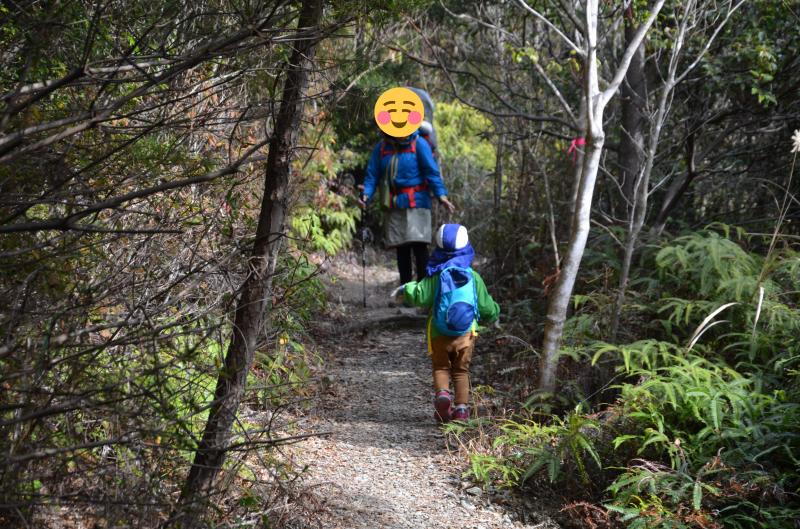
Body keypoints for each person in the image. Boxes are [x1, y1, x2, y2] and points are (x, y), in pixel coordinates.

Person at [399, 224, 500, 422]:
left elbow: (420, 296)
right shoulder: (473, 276)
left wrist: (407, 288)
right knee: (461, 371)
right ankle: (461, 409)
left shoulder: (436, 275)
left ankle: (443, 395)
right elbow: (486, 307)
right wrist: (495, 311)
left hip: (439, 332)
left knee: (441, 367)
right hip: (466, 333)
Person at [360, 127, 455, 284]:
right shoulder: (382, 147)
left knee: (419, 247)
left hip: (417, 203)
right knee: (401, 249)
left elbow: (431, 172)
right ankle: (406, 290)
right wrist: (366, 194)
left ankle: (423, 290)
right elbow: (372, 174)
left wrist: (441, 196)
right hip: (395, 204)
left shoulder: (419, 144)